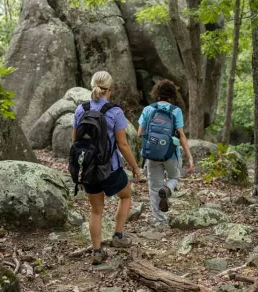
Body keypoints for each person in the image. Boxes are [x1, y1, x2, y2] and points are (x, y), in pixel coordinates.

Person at [71, 71, 142, 265]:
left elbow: (75, 141)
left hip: (88, 169)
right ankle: (118, 236)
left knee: (96, 210)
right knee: (126, 195)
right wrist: (135, 166)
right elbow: (123, 144)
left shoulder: (80, 109)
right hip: (110, 168)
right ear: (109, 90)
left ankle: (96, 251)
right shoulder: (114, 111)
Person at [138, 79, 194, 226]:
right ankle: (167, 188)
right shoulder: (176, 111)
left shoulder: (148, 110)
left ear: (156, 93)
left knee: (154, 186)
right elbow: (181, 135)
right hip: (171, 153)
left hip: (151, 154)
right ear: (172, 94)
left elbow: (139, 133)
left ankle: (159, 221)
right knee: (175, 176)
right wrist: (190, 157)